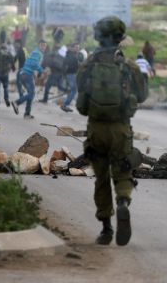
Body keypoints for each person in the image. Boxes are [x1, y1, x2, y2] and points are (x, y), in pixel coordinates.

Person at [76, 17, 147, 246]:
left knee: (101, 178)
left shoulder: (88, 66)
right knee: (123, 170)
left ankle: (106, 229)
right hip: (120, 128)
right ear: (120, 38)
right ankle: (123, 202)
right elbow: (143, 96)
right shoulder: (129, 67)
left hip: (96, 128)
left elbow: (80, 100)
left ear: (98, 37)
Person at [12, 40, 47, 119]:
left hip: (24, 74)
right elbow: (34, 64)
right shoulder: (38, 53)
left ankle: (27, 114)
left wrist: (36, 74)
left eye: (45, 46)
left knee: (30, 94)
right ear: (39, 45)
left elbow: (31, 63)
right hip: (27, 75)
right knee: (31, 94)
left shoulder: (34, 52)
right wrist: (42, 71)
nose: (43, 47)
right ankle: (17, 102)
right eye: (42, 45)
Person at [61, 42, 83, 113]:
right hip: (70, 74)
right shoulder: (70, 55)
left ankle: (65, 104)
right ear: (73, 48)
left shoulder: (73, 54)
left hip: (72, 74)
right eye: (76, 47)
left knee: (73, 90)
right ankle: (65, 105)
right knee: (74, 90)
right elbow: (68, 65)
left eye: (78, 48)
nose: (77, 49)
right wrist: (77, 65)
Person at [0, 43, 14, 110]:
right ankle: (6, 99)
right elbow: (12, 60)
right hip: (5, 74)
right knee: (5, 87)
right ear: (5, 48)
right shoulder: (8, 54)